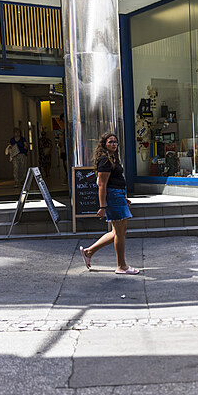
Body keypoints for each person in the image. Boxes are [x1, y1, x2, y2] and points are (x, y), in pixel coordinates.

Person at [79, 132, 139, 275]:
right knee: (119, 233)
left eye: (115, 142)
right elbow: (102, 185)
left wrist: (123, 197)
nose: (114, 144)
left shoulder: (112, 158)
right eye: (110, 142)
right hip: (113, 197)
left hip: (118, 196)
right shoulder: (105, 160)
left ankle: (89, 252)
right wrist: (102, 207)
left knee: (118, 232)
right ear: (104, 144)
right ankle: (121, 266)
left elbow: (114, 181)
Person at [54, 113, 68, 179]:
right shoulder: (64, 130)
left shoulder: (67, 129)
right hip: (64, 149)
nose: (63, 121)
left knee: (65, 161)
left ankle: (68, 173)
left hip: (66, 150)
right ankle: (67, 173)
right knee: (65, 161)